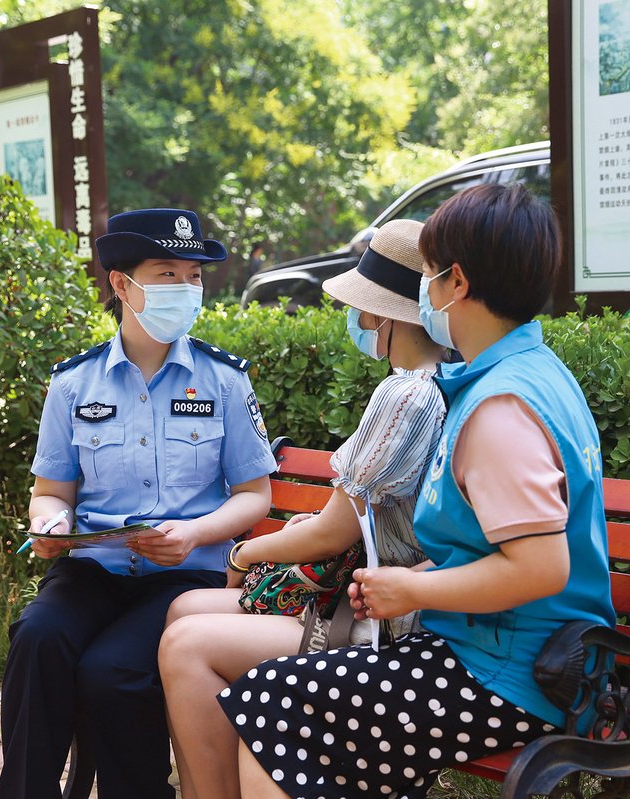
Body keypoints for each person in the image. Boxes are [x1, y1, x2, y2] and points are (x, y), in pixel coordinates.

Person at [218, 183, 617, 799]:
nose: (422, 289)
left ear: (455, 282)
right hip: (514, 655)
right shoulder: (530, 373)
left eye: (428, 273)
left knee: (271, 703)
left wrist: (412, 586)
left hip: (513, 676)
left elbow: (541, 567)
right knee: (286, 700)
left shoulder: (498, 408)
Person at [158, 219, 448, 799]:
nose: (358, 322)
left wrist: (244, 552)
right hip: (363, 600)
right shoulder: (428, 382)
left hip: (382, 622)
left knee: (185, 644)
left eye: (363, 311)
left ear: (384, 317)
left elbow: (330, 535)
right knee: (186, 608)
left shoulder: (406, 393)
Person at [0, 209, 278, 799]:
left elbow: (255, 497)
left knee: (112, 673)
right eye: (167, 273)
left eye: (194, 276)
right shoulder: (74, 385)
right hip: (92, 570)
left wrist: (196, 533)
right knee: (37, 639)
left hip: (185, 577)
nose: (186, 289)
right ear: (121, 284)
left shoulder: (225, 381)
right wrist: (50, 524)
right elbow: (51, 491)